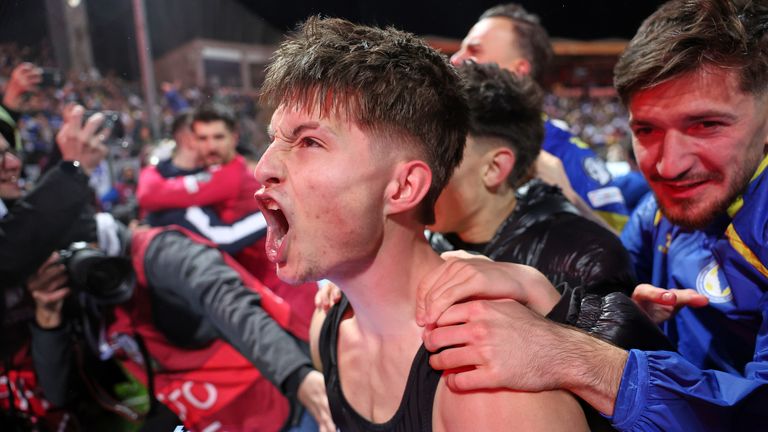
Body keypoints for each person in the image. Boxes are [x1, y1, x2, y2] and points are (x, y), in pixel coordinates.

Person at [417, 1, 768, 430]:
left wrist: (573, 356)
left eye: (707, 125)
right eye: (647, 130)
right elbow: (616, 278)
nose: (669, 164)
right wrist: (621, 316)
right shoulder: (659, 211)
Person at [255, 16, 587, 431]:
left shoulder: (492, 384)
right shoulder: (330, 327)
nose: (263, 167)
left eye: (309, 142)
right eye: (274, 139)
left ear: (404, 187)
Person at [26, 214, 333, 431]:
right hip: (212, 419)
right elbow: (57, 393)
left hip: (283, 405)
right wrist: (49, 319)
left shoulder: (156, 252)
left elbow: (230, 304)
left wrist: (296, 376)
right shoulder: (74, 302)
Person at [430, 61, 636, 297]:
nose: (416, 174)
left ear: (494, 167)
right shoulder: (419, 239)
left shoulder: (586, 259)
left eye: (439, 153)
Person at [450, 3, 629, 231]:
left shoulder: (566, 155)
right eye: (460, 49)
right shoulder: (447, 138)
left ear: (517, 71)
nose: (455, 59)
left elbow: (621, 251)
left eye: (474, 50)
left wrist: (570, 201)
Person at [0, 104, 104, 288]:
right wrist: (72, 168)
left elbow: (28, 219)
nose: (14, 163)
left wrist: (63, 153)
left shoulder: (10, 206)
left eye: (9, 152)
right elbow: (8, 251)